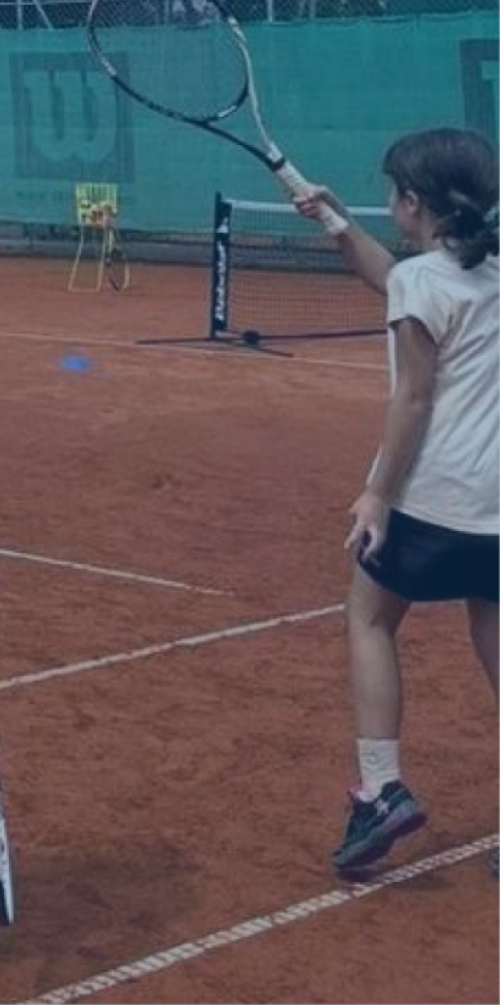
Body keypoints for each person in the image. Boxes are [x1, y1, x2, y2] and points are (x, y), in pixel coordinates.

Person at [291, 128, 498, 876]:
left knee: (369, 616)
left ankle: (380, 789)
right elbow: (397, 278)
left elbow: (413, 398)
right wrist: (337, 223)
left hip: (432, 495)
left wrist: (378, 494)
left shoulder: (424, 284)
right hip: (496, 503)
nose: (387, 206)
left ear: (413, 204)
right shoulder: (488, 273)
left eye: (390, 197)